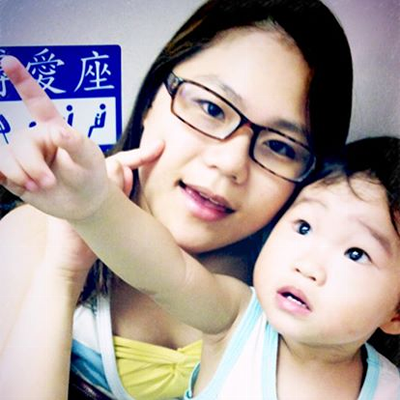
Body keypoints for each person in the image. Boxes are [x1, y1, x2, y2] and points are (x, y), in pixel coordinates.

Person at [0, 1, 353, 399]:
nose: (230, 163)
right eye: (211, 108)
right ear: (152, 100)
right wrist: (64, 270)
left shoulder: (296, 283)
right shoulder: (34, 235)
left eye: (281, 146)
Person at [2, 97, 400, 400]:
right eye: (304, 226)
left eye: (356, 254)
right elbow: (164, 269)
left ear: (396, 313)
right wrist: (96, 205)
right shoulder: (238, 320)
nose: (308, 264)